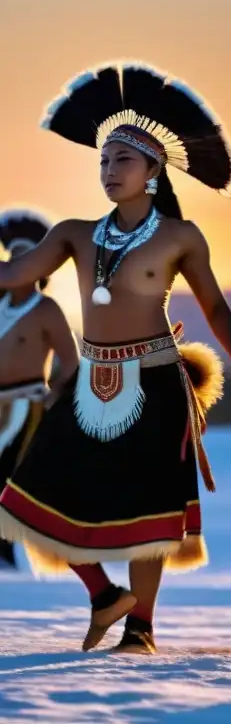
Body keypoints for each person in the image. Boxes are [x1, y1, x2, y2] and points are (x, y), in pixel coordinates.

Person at [0, 61, 231, 654]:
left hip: (155, 382)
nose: (108, 171)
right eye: (102, 160)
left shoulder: (181, 236)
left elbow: (216, 306)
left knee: (149, 515)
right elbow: (14, 273)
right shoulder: (73, 233)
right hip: (89, 382)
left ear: (152, 171)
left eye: (122, 160)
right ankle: (102, 596)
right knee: (26, 493)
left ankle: (140, 628)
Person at [0, 209, 79, 569]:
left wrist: (54, 395)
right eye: (12, 258)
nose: (17, 266)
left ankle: (6, 554)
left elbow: (71, 361)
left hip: (25, 403)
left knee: (7, 476)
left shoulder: (46, 310)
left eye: (26, 259)